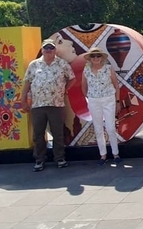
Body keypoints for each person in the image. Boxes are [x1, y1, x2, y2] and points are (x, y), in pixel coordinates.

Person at [20, 38, 76, 172]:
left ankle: (60, 158)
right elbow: (27, 82)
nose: (49, 51)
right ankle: (39, 159)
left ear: (55, 50)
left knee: (58, 133)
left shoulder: (62, 64)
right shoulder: (34, 65)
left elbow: (72, 78)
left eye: (51, 48)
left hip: (56, 104)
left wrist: (64, 90)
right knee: (38, 134)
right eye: (46, 48)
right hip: (38, 105)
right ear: (42, 50)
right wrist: (23, 100)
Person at [81, 47, 121, 166]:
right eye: (93, 56)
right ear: (90, 59)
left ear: (102, 58)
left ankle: (115, 153)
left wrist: (118, 101)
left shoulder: (108, 69)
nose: (96, 58)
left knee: (110, 127)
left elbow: (116, 85)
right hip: (94, 100)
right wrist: (89, 97)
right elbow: (83, 86)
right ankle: (102, 155)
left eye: (98, 56)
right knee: (98, 129)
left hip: (108, 99)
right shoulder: (86, 71)